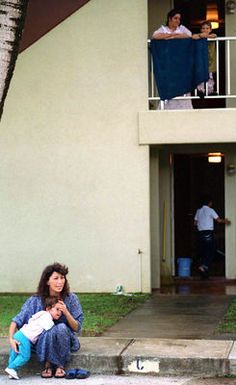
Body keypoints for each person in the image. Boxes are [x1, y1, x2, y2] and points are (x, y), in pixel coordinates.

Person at [8, 262, 83, 379]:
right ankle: (47, 364)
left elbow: (77, 327)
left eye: (62, 278)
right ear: (47, 281)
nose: (60, 282)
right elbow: (16, 320)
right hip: (41, 343)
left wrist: (66, 312)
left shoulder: (71, 298)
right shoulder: (35, 300)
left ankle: (60, 365)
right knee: (47, 330)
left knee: (61, 327)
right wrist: (11, 339)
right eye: (56, 278)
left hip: (64, 340)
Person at [5, 296, 62, 380]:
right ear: (48, 309)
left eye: (61, 311)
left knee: (15, 352)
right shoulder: (47, 317)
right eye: (57, 309)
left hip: (19, 333)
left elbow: (32, 319)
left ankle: (12, 370)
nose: (59, 313)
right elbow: (50, 328)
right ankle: (11, 368)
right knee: (25, 356)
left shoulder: (41, 313)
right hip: (25, 337)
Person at [152, 9, 193, 110]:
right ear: (169, 19)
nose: (178, 21)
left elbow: (189, 35)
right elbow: (155, 36)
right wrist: (170, 35)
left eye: (179, 19)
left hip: (180, 62)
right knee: (169, 84)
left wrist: (174, 36)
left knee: (182, 84)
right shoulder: (163, 29)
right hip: (168, 62)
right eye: (175, 18)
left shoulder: (181, 29)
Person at [194, 195, 230, 278]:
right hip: (208, 233)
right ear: (209, 203)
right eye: (211, 202)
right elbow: (218, 220)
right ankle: (203, 266)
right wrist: (226, 221)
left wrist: (202, 223)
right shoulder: (211, 210)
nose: (212, 203)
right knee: (212, 250)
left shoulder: (198, 211)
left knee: (204, 251)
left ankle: (204, 270)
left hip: (200, 233)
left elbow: (195, 223)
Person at [192, 21, 217, 96]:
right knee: (201, 75)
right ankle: (201, 90)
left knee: (210, 76)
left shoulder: (211, 36)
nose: (205, 30)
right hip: (201, 60)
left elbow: (214, 35)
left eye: (207, 28)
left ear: (210, 30)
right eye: (203, 28)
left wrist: (206, 36)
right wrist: (200, 35)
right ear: (200, 30)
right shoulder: (199, 36)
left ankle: (210, 91)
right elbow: (193, 37)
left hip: (210, 61)